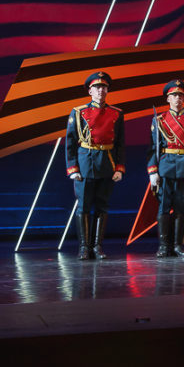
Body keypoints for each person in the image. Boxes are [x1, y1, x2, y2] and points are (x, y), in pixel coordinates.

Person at [65, 71, 125, 260]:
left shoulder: (116, 113)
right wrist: (73, 168)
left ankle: (97, 247)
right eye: (97, 87)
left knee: (102, 207)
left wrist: (119, 168)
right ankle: (84, 247)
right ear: (90, 91)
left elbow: (120, 143)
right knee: (83, 207)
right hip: (85, 163)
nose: (101, 90)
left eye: (104, 87)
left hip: (107, 162)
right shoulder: (79, 112)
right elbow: (70, 142)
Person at [148, 79, 184, 257]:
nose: (177, 98)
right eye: (174, 95)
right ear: (168, 99)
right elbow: (153, 148)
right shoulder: (159, 120)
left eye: (180, 95)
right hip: (165, 167)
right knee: (164, 207)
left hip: (183, 168)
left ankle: (178, 246)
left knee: (180, 207)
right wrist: (153, 171)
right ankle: (164, 246)